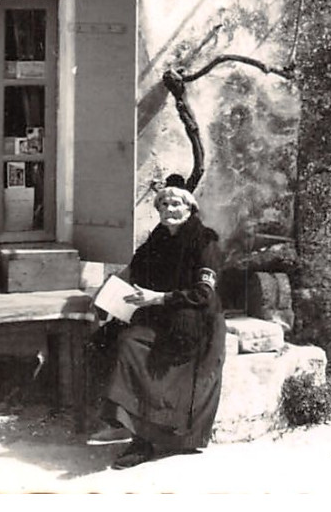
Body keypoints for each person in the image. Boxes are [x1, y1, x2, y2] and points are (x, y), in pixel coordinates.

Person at [89, 175, 224, 469]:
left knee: (133, 347)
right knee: (111, 337)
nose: (169, 209)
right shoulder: (159, 238)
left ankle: (143, 441)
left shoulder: (205, 241)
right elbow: (134, 269)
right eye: (163, 204)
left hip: (195, 325)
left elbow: (203, 294)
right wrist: (105, 294)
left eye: (176, 203)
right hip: (163, 314)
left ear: (189, 208)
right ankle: (122, 421)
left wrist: (158, 299)